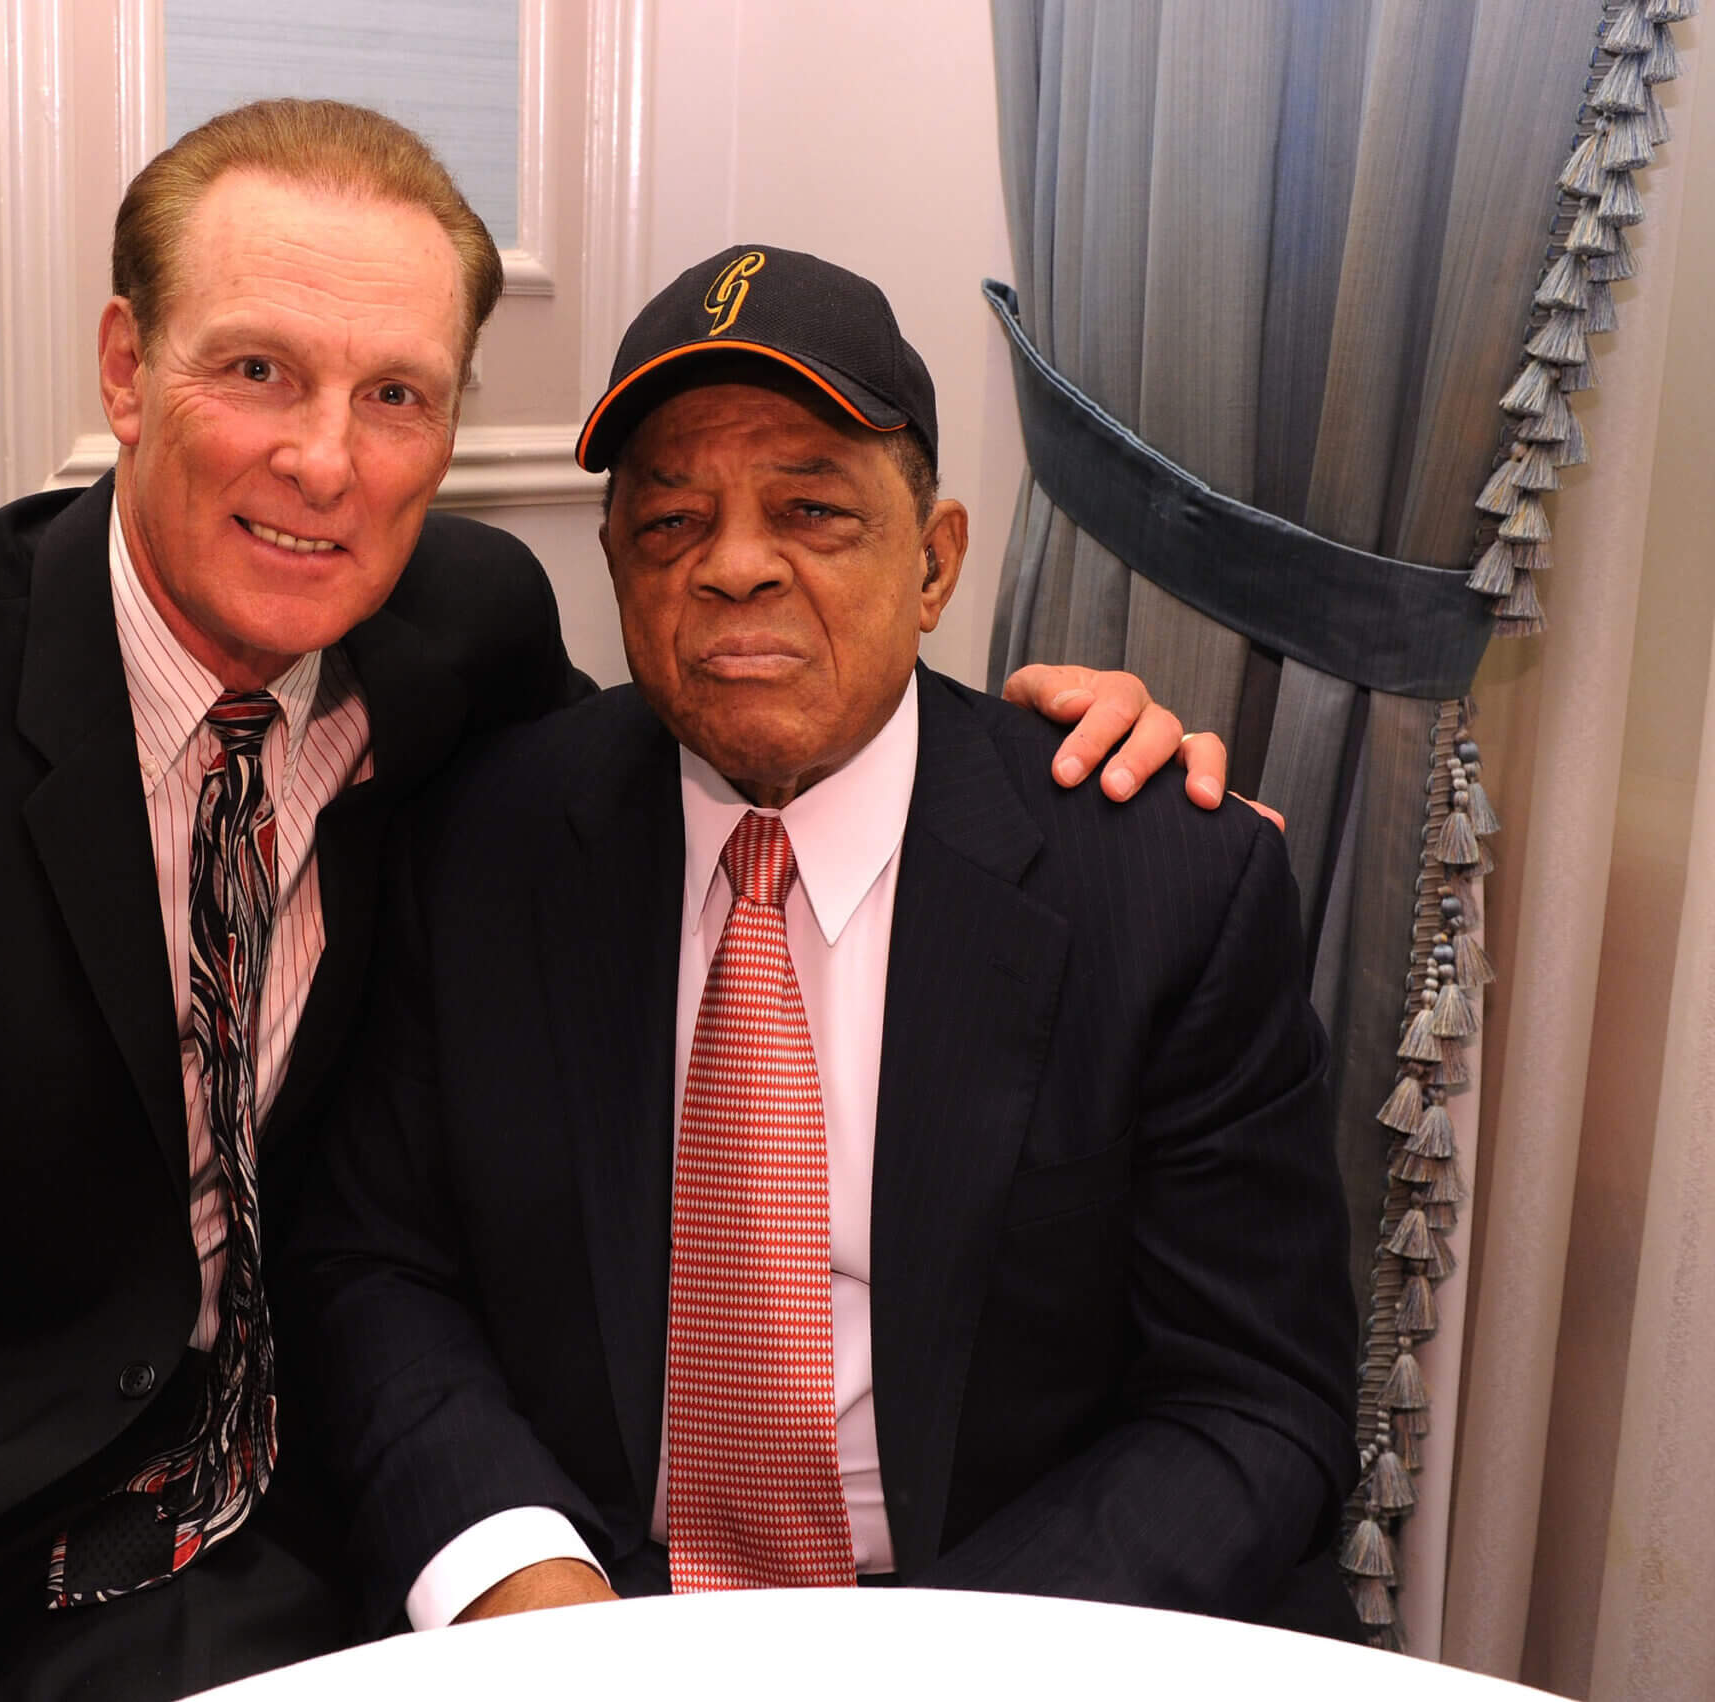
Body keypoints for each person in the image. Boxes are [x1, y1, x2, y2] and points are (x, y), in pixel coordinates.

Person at [0, 109, 1232, 1702]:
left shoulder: (462, 642)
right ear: (122, 370)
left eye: (394, 393)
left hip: (249, 1537)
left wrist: (1032, 751)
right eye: (257, 369)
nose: (326, 459)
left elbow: (749, 752)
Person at [292, 246, 1359, 1643]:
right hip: (590, 1595)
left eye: (812, 507)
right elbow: (375, 1267)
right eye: (671, 521)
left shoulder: (1164, 881)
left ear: (935, 563)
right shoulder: (475, 842)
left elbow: (1253, 1398)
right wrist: (519, 1574)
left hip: (1011, 1607)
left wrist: (919, 1663)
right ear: (614, 566)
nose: (734, 566)